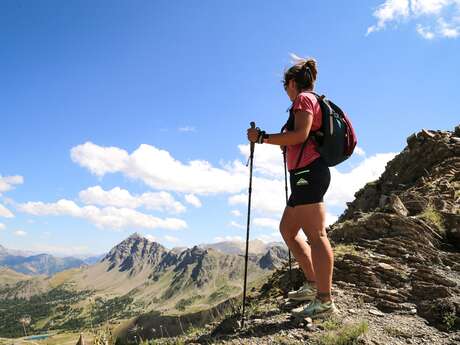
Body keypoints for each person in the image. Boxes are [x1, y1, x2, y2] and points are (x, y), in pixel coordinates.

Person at [247, 57, 337, 318]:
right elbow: (297, 137)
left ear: (293, 82)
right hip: (304, 174)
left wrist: (263, 138)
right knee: (287, 229)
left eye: (285, 84)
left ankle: (324, 301)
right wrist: (275, 140)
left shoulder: (304, 99)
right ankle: (312, 285)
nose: (284, 89)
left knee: (316, 235)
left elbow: (300, 135)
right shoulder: (307, 101)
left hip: (309, 173)